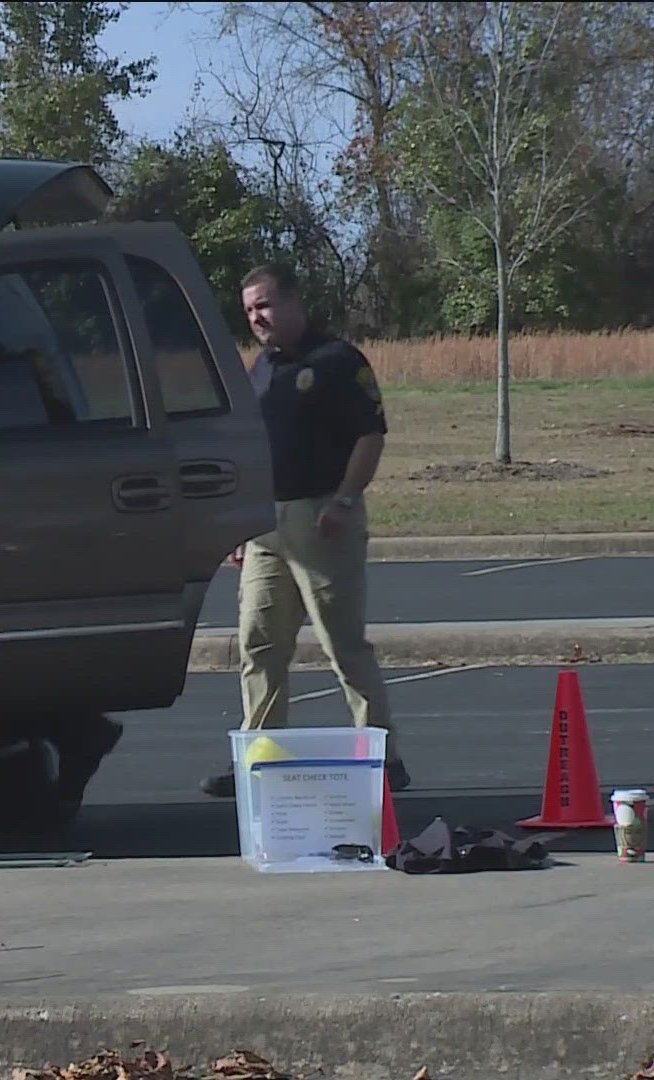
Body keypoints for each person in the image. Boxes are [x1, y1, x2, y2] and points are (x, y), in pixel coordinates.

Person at [201, 263, 409, 798]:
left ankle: (382, 754)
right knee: (259, 641)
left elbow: (370, 435)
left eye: (265, 305)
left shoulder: (337, 361)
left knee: (342, 644)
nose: (257, 318)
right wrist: (241, 526)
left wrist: (344, 499)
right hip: (266, 526)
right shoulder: (261, 368)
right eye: (249, 310)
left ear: (294, 302)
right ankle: (260, 748)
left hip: (322, 520)